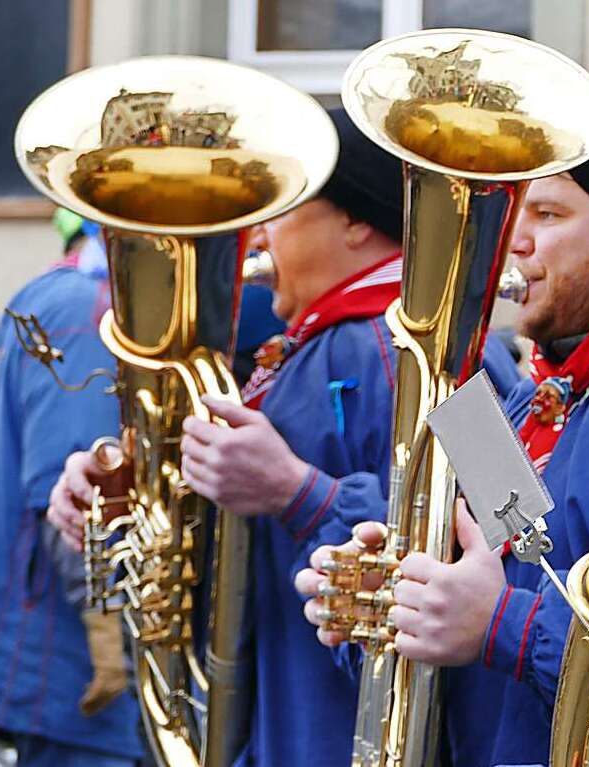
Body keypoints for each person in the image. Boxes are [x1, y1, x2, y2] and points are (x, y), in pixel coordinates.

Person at [297, 96, 589, 767]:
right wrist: (387, 604)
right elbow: (473, 611)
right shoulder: (524, 398)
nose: (516, 239)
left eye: (548, 214)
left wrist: (502, 626)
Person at [45, 109, 519, 767]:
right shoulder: (300, 353)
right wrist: (134, 496)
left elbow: (515, 540)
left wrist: (297, 493)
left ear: (356, 221)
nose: (259, 232)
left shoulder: (458, 358)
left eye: (286, 208)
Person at [0, 212, 143, 766]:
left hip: (40, 671)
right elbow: (81, 514)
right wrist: (124, 662)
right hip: (69, 679)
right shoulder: (83, 310)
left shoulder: (49, 295)